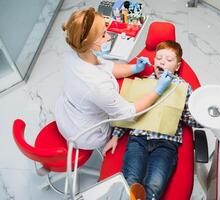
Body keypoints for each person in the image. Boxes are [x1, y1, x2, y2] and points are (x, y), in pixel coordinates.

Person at [55, 8, 173, 150]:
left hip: (66, 115)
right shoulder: (96, 85)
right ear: (88, 42)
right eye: (104, 35)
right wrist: (158, 90)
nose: (109, 37)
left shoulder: (75, 54)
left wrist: (134, 68)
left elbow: (107, 67)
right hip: (86, 134)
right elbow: (128, 113)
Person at [103, 40, 203, 200]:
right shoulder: (143, 83)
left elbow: (189, 118)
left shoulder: (183, 87)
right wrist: (116, 135)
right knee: (130, 181)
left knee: (154, 186)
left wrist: (205, 118)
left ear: (177, 67)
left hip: (166, 143)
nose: (162, 61)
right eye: (159, 58)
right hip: (138, 139)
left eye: (169, 60)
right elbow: (129, 113)